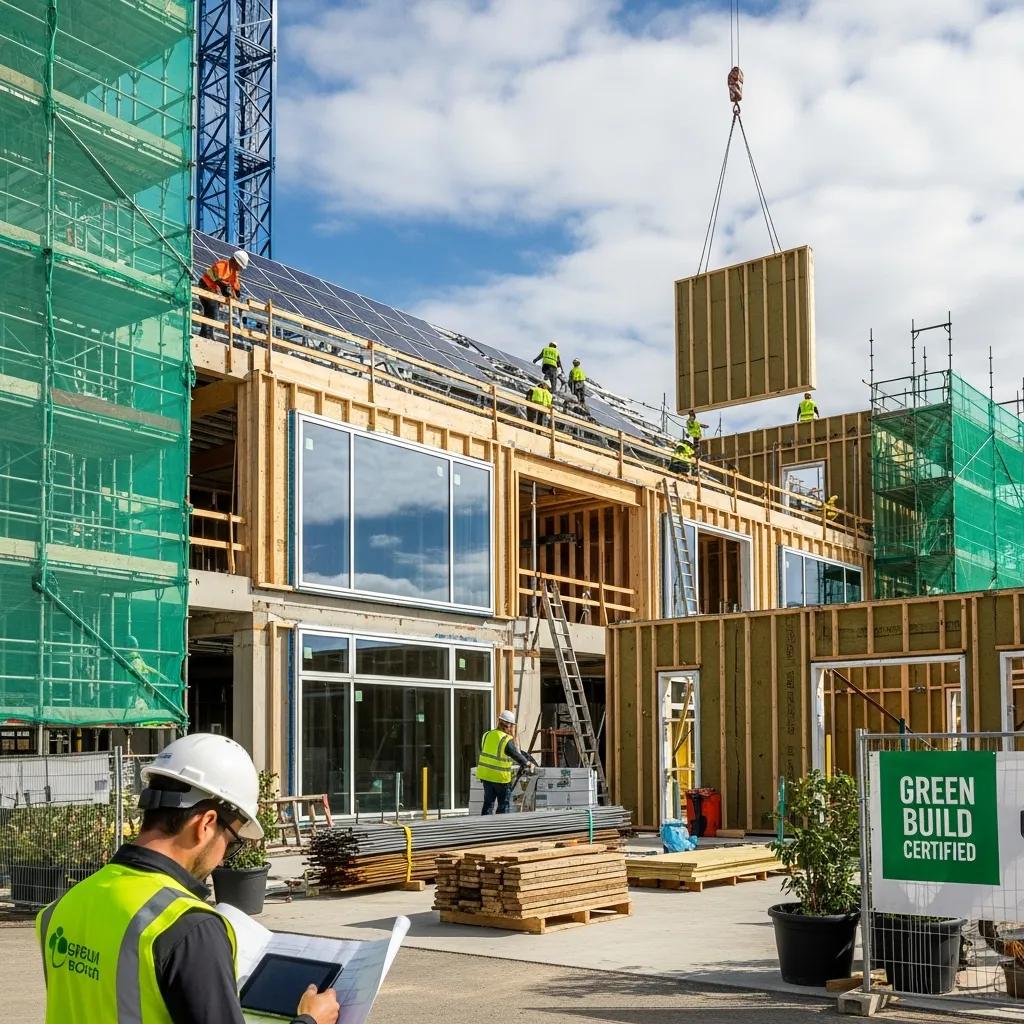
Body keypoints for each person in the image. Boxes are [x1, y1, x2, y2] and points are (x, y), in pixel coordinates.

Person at [36, 734, 340, 1024]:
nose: (222, 858)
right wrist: (310, 1019)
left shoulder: (62, 907)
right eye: (232, 842)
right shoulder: (187, 927)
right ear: (205, 823)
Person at [477, 710, 536, 815]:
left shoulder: (486, 735)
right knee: (503, 806)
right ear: (509, 726)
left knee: (488, 804)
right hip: (500, 779)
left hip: (486, 776)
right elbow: (515, 755)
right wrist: (528, 763)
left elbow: (491, 753)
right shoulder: (505, 739)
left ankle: (484, 828)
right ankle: (500, 829)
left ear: (499, 722)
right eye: (512, 726)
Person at [198, 250, 248, 338]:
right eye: (239, 266)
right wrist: (222, 287)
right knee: (213, 312)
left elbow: (235, 286)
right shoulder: (222, 265)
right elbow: (213, 278)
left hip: (213, 291)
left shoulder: (233, 273)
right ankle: (206, 335)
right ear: (235, 261)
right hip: (205, 286)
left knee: (211, 313)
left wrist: (236, 295)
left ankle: (206, 335)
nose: (239, 269)